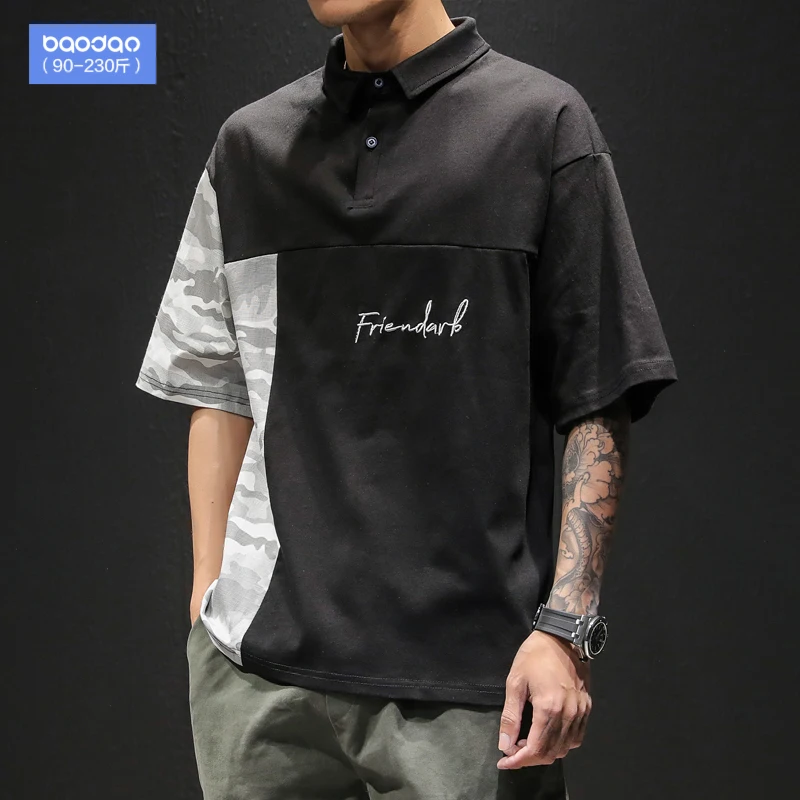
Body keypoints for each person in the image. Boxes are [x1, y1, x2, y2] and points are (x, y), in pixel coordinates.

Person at [135, 1, 678, 797]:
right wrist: (208, 599)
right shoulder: (250, 148)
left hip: (470, 692)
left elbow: (598, 392)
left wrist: (566, 630)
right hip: (260, 689)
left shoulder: (540, 127)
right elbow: (218, 383)